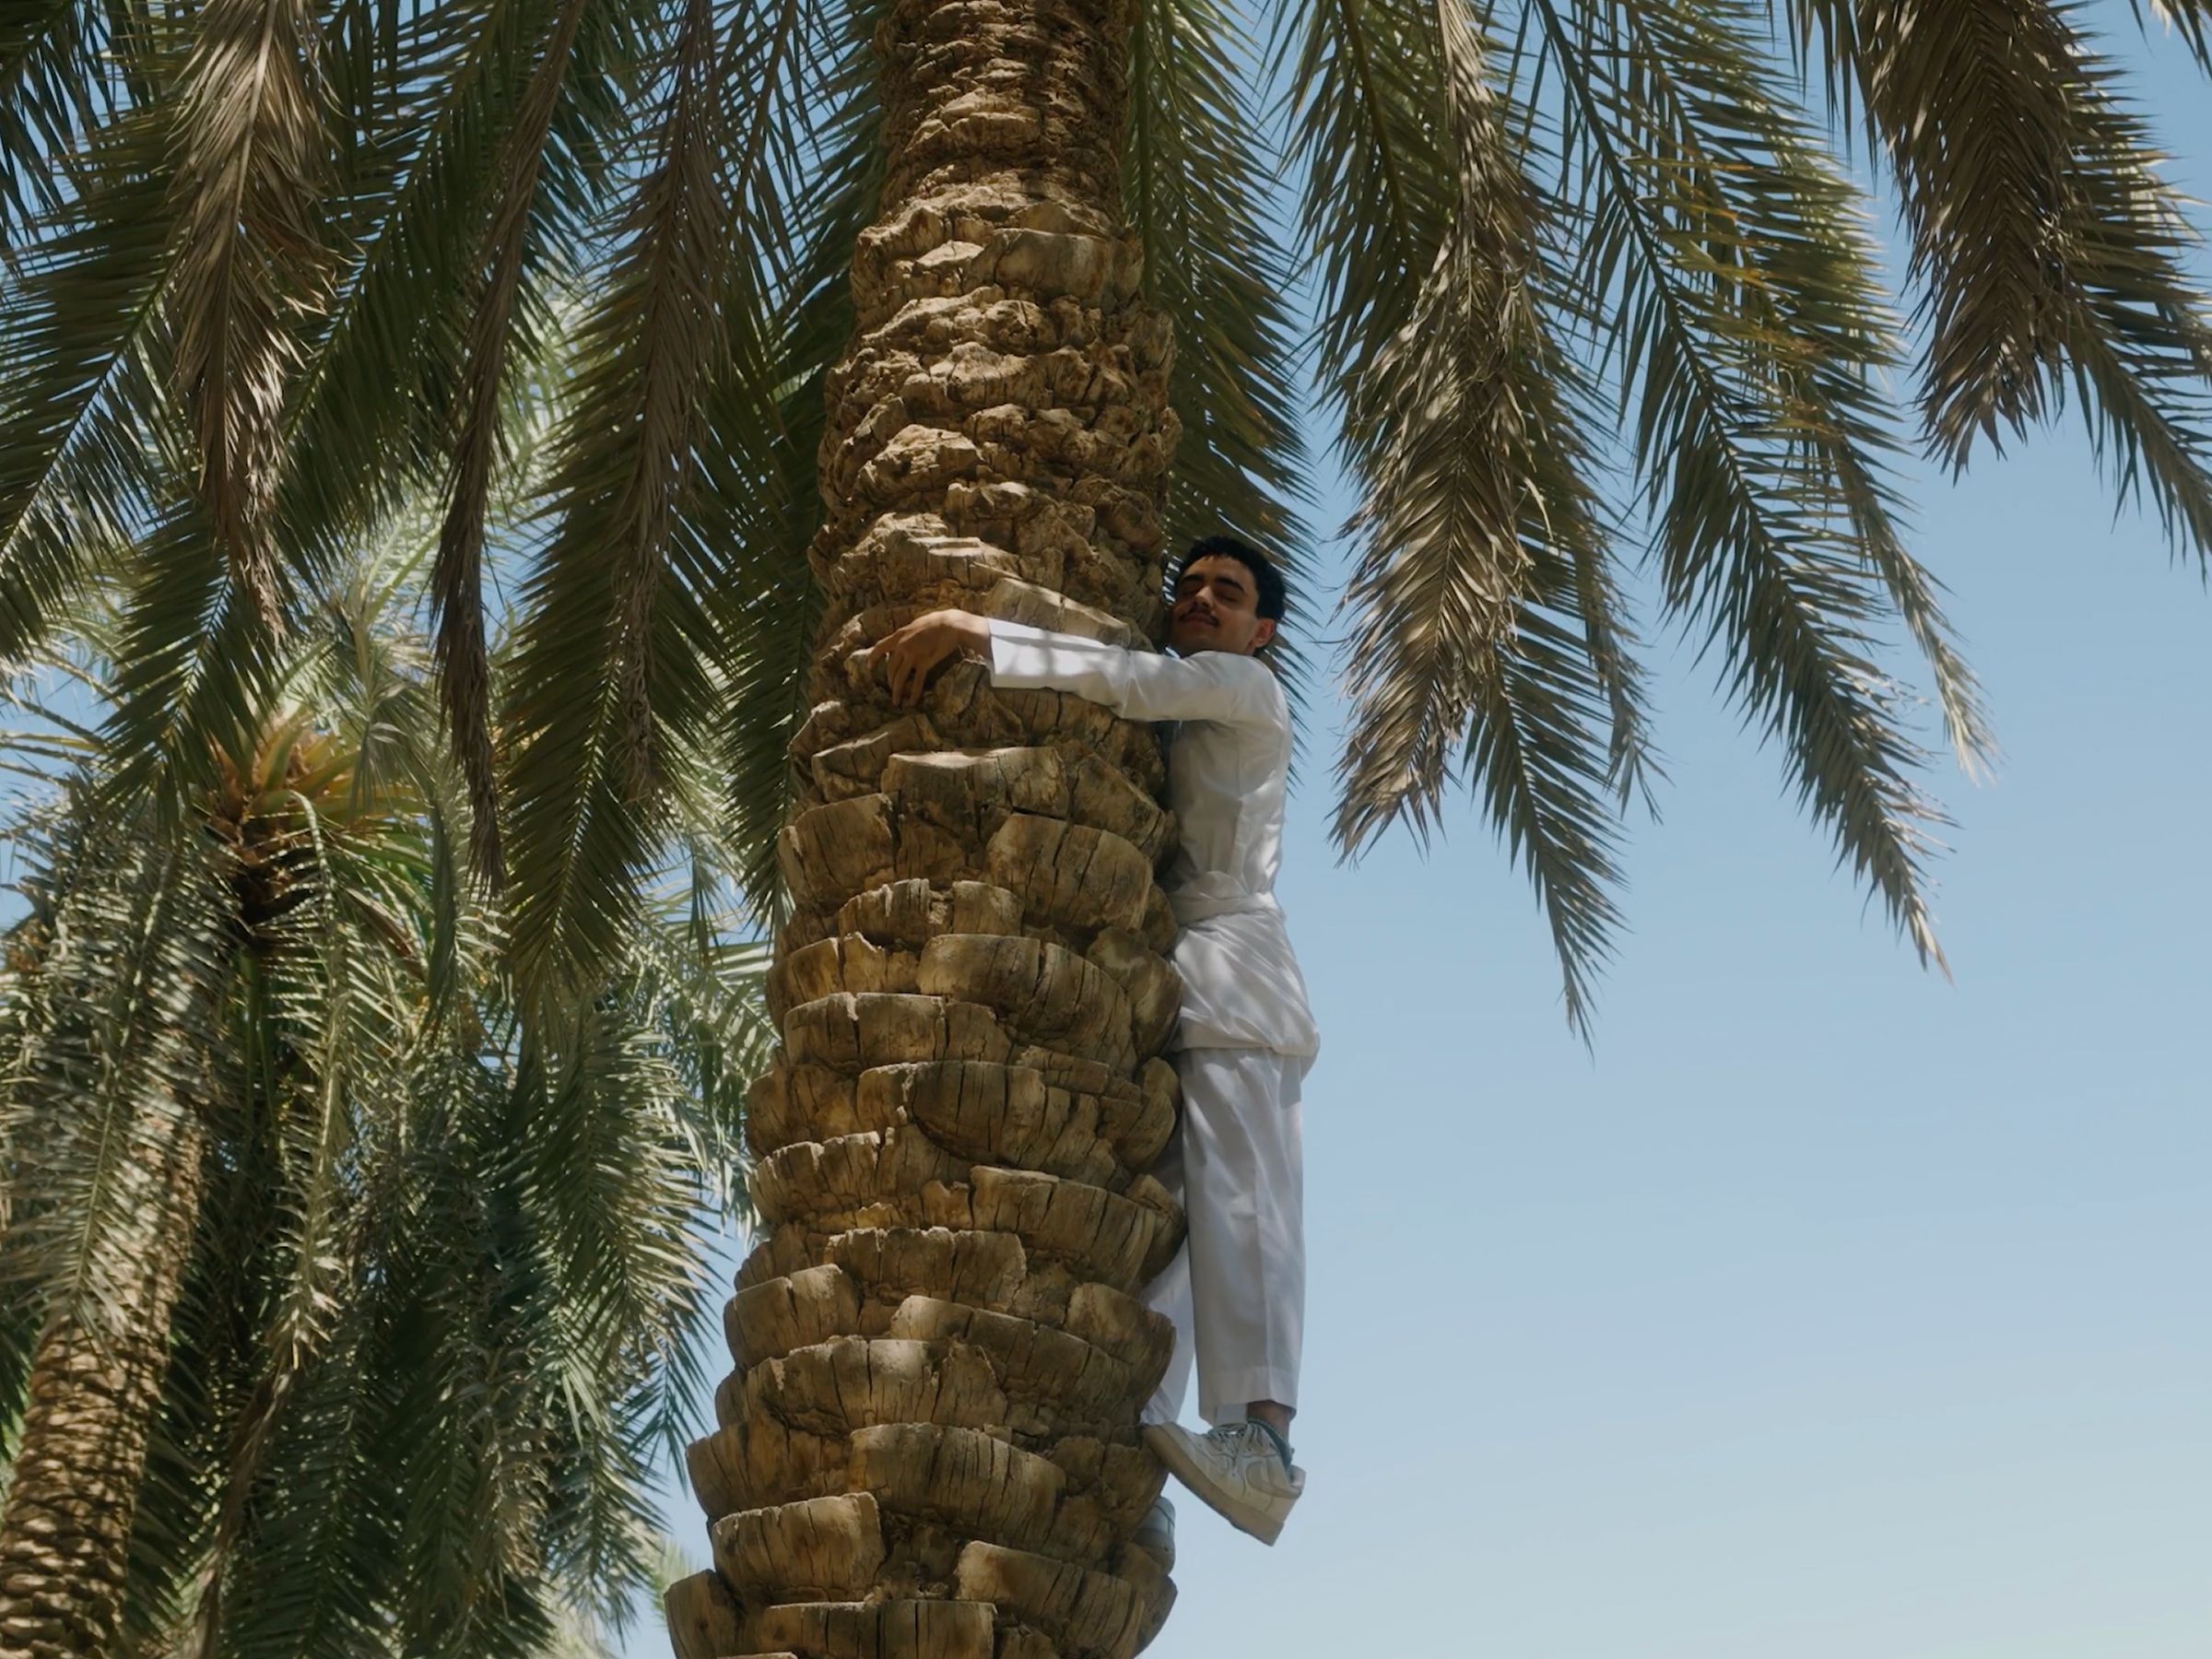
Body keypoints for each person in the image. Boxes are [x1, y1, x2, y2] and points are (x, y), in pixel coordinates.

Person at [866, 535, 1320, 1556]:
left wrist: (978, 629)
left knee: (1246, 1204)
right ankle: (1138, 1448)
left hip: (1240, 974)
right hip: (1176, 976)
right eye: (1189, 584)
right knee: (1164, 1220)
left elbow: (1126, 682)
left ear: (1264, 632)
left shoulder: (1245, 690)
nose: (1201, 598)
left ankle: (1266, 1445)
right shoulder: (1209, 687)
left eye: (1229, 592)